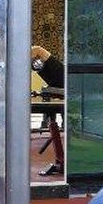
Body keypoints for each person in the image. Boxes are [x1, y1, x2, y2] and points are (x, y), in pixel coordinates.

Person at [31, 45, 66, 176]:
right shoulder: (41, 66)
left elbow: (37, 50)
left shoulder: (38, 53)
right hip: (55, 86)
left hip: (63, 83)